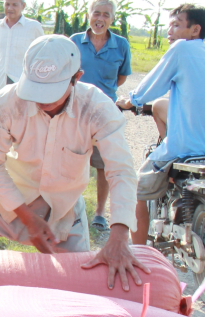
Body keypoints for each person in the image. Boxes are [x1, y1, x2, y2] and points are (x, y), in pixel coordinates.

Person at [0, 35, 147, 291]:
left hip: (62, 202)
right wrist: (27, 216)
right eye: (36, 89)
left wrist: (120, 235)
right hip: (7, 190)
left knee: (77, 283)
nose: (42, 100)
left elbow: (121, 171)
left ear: (76, 77)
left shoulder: (97, 108)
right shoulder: (4, 105)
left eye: (51, 91)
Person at [117, 4, 205, 246]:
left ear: (195, 30)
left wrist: (131, 101)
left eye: (176, 24)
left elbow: (150, 85)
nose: (169, 30)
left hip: (186, 148)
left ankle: (139, 252)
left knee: (134, 190)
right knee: (162, 106)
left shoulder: (181, 49)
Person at [71, 0, 131, 231]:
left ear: (112, 19)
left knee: (103, 164)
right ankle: (70, 208)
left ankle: (99, 214)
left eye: (106, 14)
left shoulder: (121, 45)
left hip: (104, 112)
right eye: (97, 13)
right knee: (72, 159)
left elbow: (121, 77)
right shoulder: (75, 41)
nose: (100, 18)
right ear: (89, 15)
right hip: (75, 109)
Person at [0, 0, 44, 95]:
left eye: (14, 5)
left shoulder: (33, 27)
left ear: (23, 6)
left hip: (21, 85)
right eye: (7, 4)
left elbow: (42, 54)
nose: (10, 8)